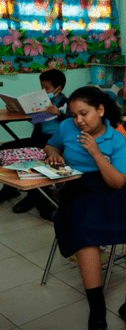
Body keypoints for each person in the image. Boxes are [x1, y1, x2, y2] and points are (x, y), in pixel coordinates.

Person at [44, 86, 126, 330]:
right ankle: (97, 308)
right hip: (80, 186)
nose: (79, 121)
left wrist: (95, 151)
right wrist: (53, 154)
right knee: (85, 231)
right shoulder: (67, 128)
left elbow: (118, 182)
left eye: (84, 113)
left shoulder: (116, 140)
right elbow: (51, 145)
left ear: (100, 110)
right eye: (74, 115)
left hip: (117, 185)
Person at [0, 69, 68, 220]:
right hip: (40, 138)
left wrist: (59, 113)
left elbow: (72, 121)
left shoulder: (65, 103)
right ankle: (9, 189)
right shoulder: (42, 101)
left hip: (55, 142)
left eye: (47, 88)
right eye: (41, 87)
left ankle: (34, 195)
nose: (43, 91)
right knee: (4, 148)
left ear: (59, 89)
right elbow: (34, 119)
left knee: (32, 156)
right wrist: (15, 109)